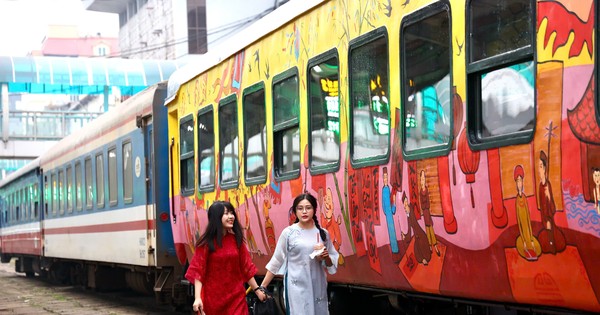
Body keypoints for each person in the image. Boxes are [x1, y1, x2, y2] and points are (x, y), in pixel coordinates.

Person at [258, 193, 339, 314]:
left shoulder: (322, 233)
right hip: (296, 286)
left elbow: (331, 264)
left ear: (314, 209)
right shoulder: (289, 233)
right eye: (300, 208)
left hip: (318, 285)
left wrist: (325, 256)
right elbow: (277, 260)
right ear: (295, 211)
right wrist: (263, 287)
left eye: (308, 208)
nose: (304, 212)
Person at [185, 201, 266, 315]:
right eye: (226, 213)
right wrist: (197, 298)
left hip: (236, 296)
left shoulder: (236, 240)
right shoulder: (206, 244)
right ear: (216, 218)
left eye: (232, 213)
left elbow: (246, 267)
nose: (231, 217)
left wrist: (257, 290)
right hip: (213, 299)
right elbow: (198, 271)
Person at [513, 165, 541, 261]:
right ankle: (526, 246)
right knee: (522, 245)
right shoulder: (517, 200)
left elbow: (528, 218)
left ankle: (530, 245)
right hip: (523, 233)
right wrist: (524, 240)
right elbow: (519, 220)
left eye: (521, 181)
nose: (520, 183)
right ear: (516, 183)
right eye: (518, 181)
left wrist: (531, 240)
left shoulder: (524, 198)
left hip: (528, 232)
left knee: (535, 247)